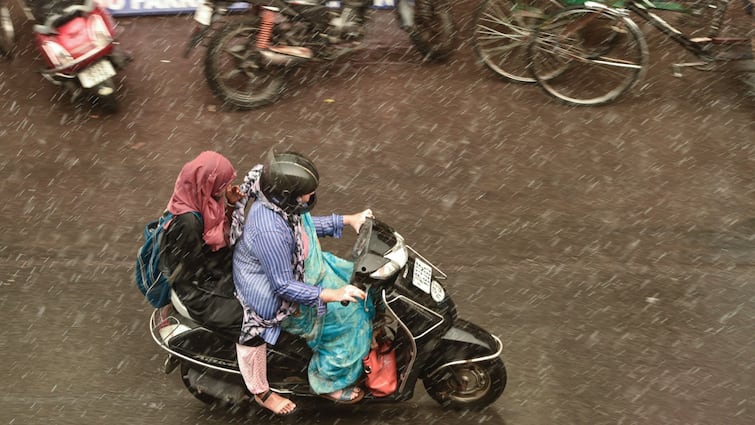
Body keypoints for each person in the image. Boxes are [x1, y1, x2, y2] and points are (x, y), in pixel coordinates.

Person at [231, 151, 374, 416]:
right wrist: (329, 294)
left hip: (311, 270)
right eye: (307, 192)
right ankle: (329, 382)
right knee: (350, 321)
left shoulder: (281, 205)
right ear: (289, 195)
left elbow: (303, 227)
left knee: (365, 286)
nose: (311, 196)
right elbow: (283, 286)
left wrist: (347, 220)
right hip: (284, 297)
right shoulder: (270, 230)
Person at [159, 151, 245, 342]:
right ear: (207, 185)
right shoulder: (187, 223)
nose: (226, 189)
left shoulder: (203, 199)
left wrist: (230, 204)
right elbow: (193, 271)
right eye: (222, 185)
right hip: (192, 287)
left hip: (206, 269)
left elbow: (218, 233)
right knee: (248, 319)